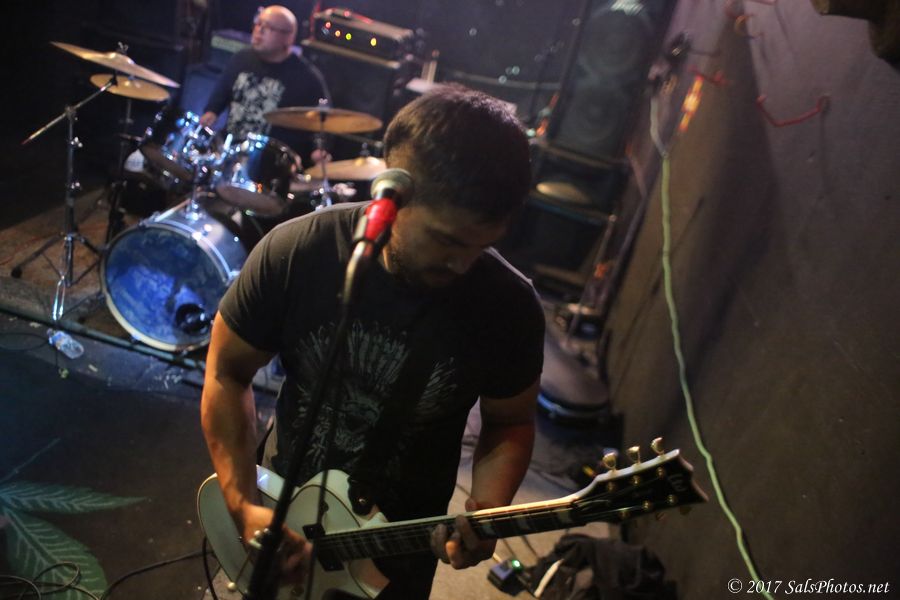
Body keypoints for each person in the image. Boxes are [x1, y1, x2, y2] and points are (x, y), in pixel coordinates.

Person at [200, 84, 545, 598]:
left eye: (482, 245)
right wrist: (242, 503)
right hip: (283, 519)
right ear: (393, 195)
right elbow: (228, 372)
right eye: (447, 240)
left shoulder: (510, 307)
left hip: (399, 554)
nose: (463, 263)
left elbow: (510, 420)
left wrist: (487, 510)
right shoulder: (299, 252)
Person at [200, 5, 328, 163]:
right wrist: (211, 113)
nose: (259, 30)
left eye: (268, 27)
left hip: (270, 162)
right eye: (258, 23)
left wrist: (318, 149)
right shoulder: (241, 59)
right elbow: (219, 98)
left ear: (288, 37)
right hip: (228, 151)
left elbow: (323, 120)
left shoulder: (307, 78)